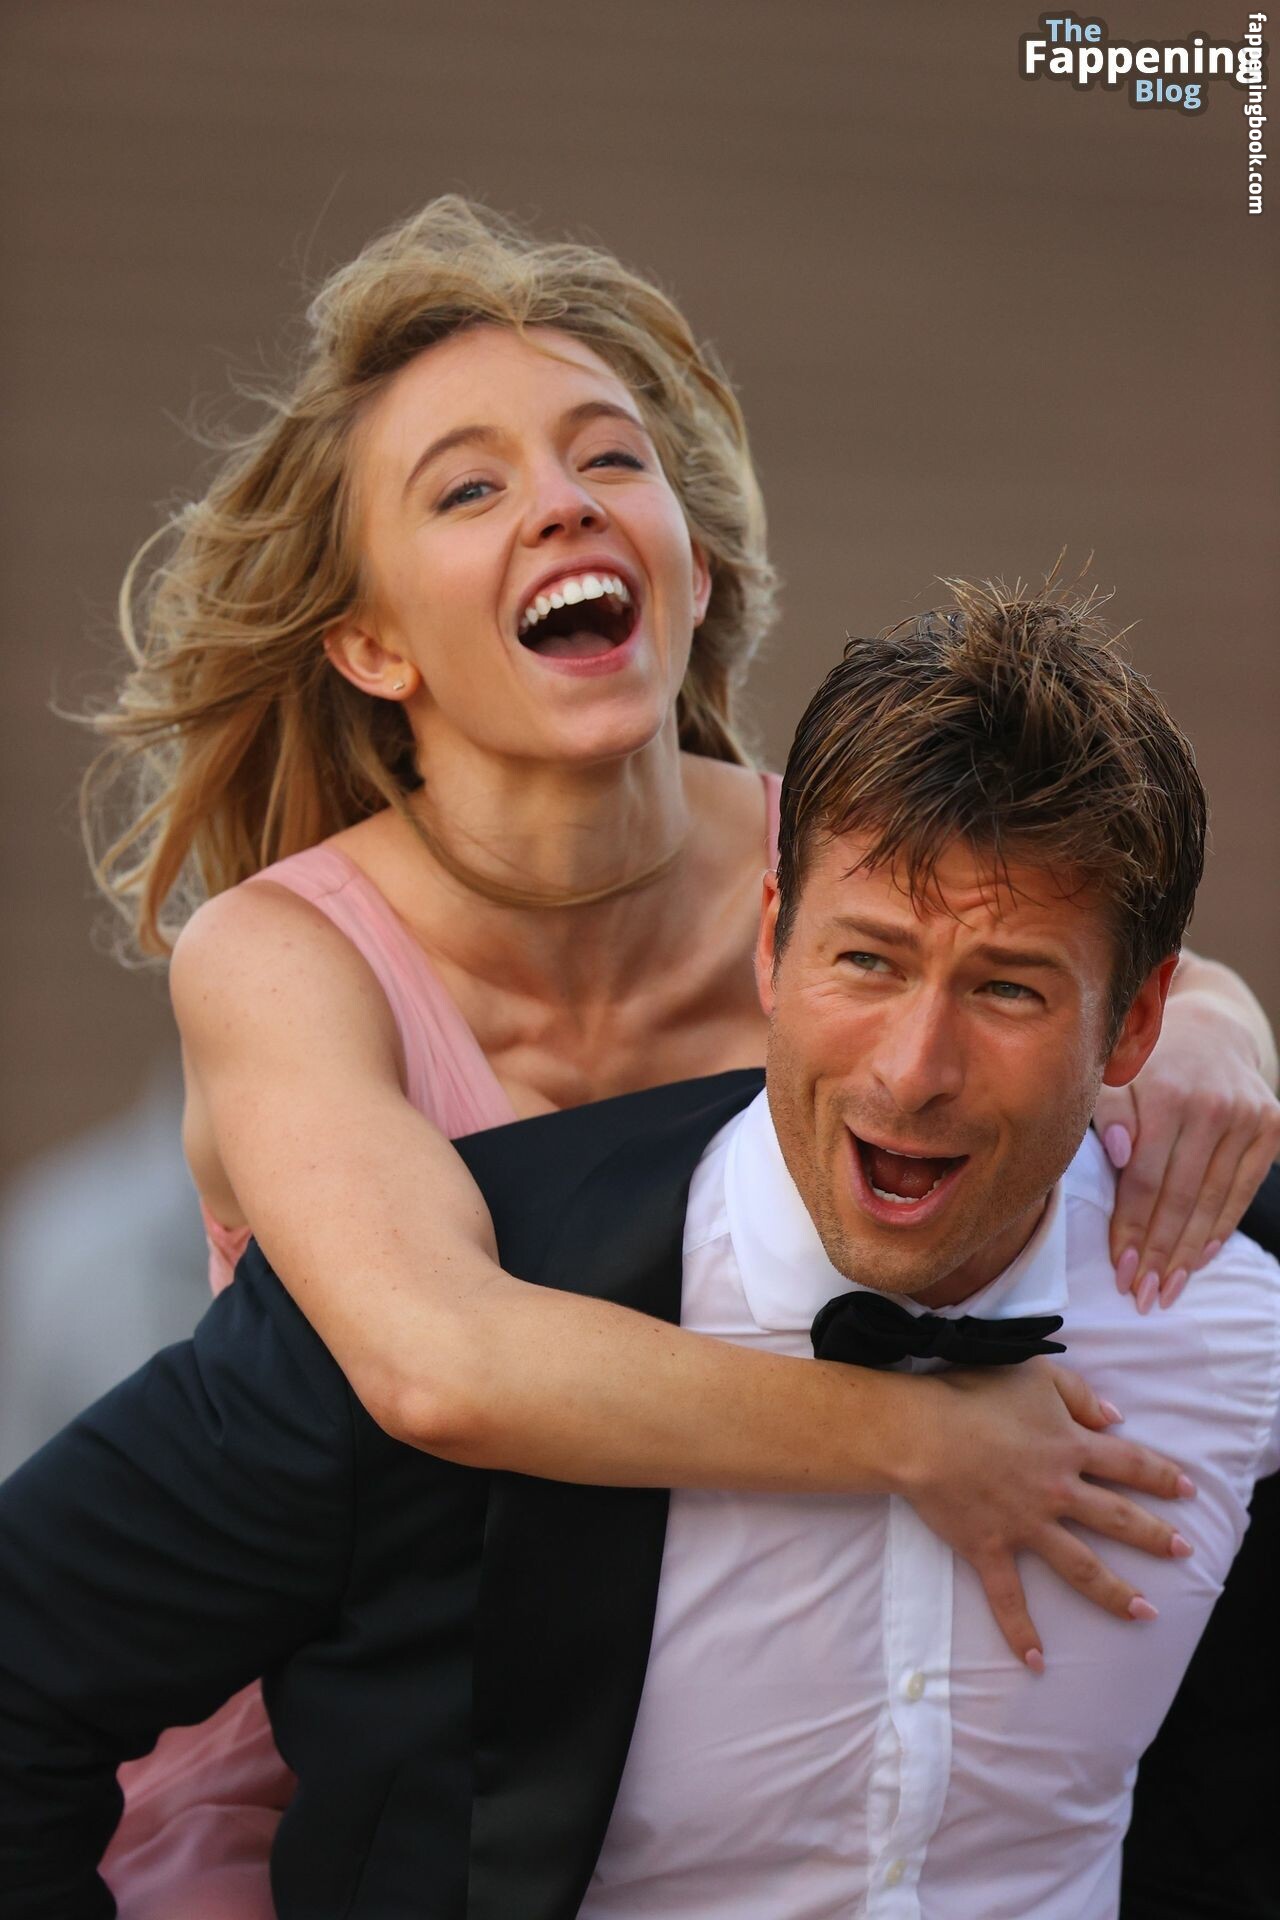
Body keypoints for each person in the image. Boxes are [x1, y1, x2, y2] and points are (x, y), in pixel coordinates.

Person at [78, 199, 1279, 1910]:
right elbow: (438, 1364)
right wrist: (919, 1440)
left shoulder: (836, 878)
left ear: (692, 566)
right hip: (366, 1768)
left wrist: (1222, 1020)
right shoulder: (284, 958)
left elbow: (1085, 960)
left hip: (737, 1753)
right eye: (467, 489)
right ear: (370, 643)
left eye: (606, 458)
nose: (560, 500)